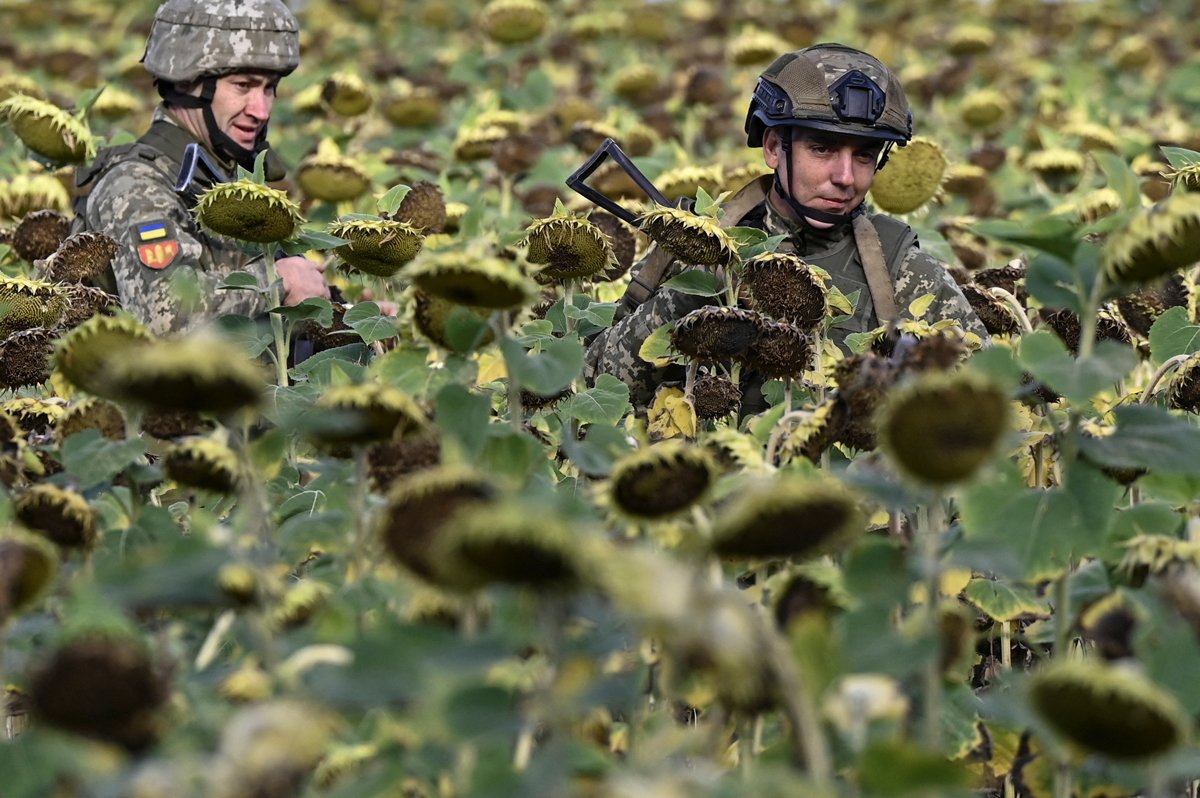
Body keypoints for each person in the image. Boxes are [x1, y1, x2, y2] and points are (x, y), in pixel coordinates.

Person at [584, 43, 986, 414]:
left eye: (864, 155)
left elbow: (988, 399)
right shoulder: (699, 246)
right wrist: (696, 293)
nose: (845, 177)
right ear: (774, 147)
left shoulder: (902, 270)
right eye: (822, 149)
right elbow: (598, 387)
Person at [72, 0, 330, 336]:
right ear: (186, 83)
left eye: (269, 89)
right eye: (243, 86)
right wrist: (278, 281)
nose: (262, 110)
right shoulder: (137, 184)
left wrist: (348, 319)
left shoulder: (219, 175)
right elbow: (167, 317)